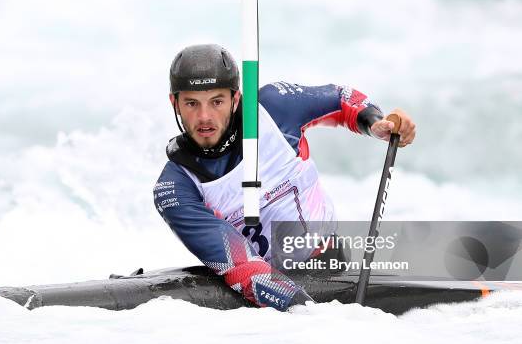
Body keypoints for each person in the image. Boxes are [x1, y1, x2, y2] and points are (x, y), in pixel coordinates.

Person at [153, 44, 416, 311]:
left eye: (217, 101)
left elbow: (340, 98)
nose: (204, 117)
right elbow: (242, 266)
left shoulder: (275, 108)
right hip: (263, 304)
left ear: (235, 99)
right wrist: (311, 316)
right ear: (174, 103)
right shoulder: (175, 187)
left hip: (331, 265)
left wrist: (375, 123)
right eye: (191, 103)